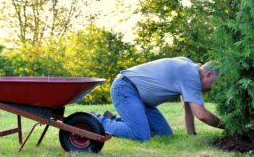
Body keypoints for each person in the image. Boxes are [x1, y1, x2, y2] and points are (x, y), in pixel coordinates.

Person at [96, 57, 224, 141]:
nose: (214, 88)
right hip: (126, 89)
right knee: (141, 135)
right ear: (209, 74)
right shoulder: (191, 75)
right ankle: (99, 121)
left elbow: (187, 105)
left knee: (164, 135)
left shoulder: (189, 66)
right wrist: (228, 127)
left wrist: (191, 135)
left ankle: (112, 119)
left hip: (143, 100)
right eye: (216, 83)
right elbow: (202, 115)